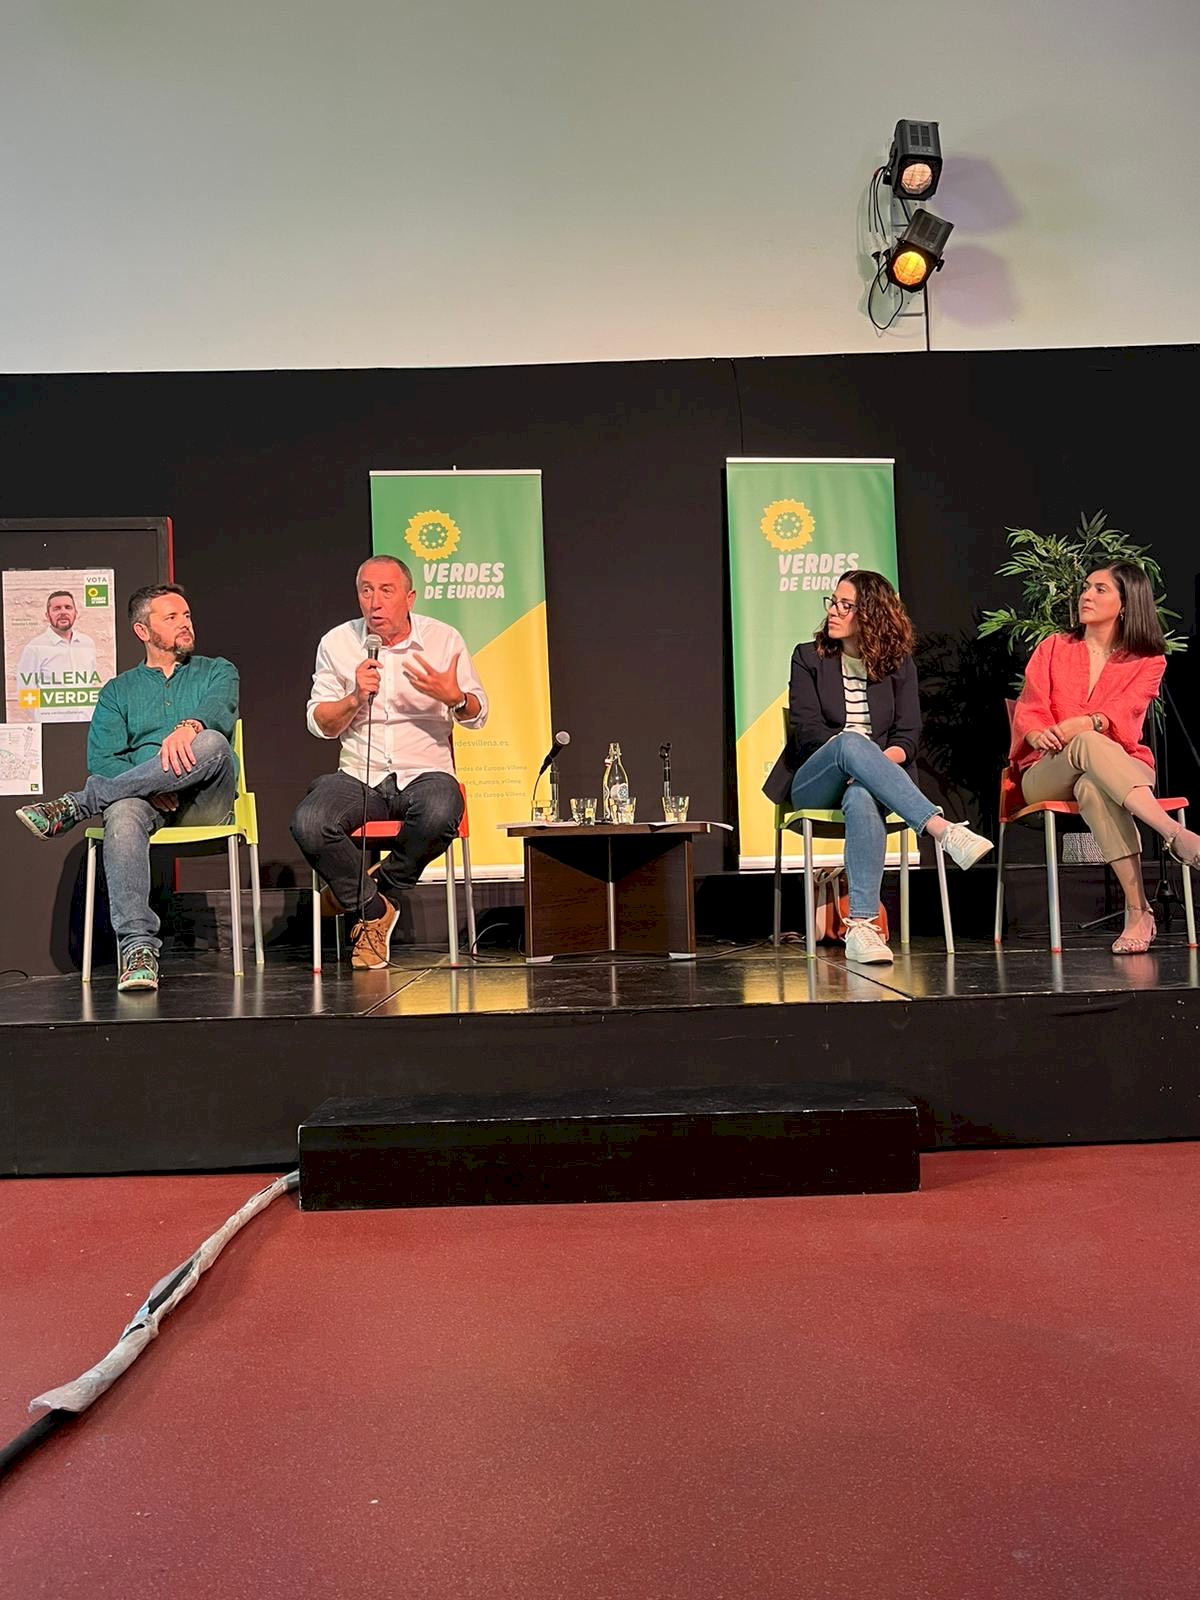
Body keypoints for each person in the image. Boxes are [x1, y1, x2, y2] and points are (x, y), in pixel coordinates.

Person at [14, 585, 239, 994]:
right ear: (142, 631)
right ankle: (137, 949)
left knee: (210, 742)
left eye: (187, 615)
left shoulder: (217, 671)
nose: (185, 623)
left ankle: (79, 804)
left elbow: (218, 711)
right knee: (121, 812)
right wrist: (152, 787)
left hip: (206, 799)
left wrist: (188, 728)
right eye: (171, 618)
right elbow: (103, 761)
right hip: (149, 804)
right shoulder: (118, 691)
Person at [764, 569, 992, 965]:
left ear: (870, 614)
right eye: (833, 602)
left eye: (845, 605)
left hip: (873, 781)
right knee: (850, 742)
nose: (833, 611)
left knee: (862, 796)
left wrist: (869, 767)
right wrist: (854, 755)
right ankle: (942, 829)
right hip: (816, 780)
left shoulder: (898, 665)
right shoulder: (808, 657)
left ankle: (862, 928)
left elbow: (908, 737)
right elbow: (808, 732)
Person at [290, 553, 488, 970]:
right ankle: (375, 909)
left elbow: (478, 715)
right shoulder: (338, 642)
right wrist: (354, 698)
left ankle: (370, 891)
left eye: (386, 591)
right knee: (310, 821)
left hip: (425, 771)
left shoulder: (443, 639)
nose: (375, 602)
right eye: (366, 591)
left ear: (409, 598)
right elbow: (320, 723)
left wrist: (454, 697)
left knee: (441, 809)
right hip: (359, 775)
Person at [1009, 561, 1200, 954]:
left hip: (1122, 764)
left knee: (1093, 787)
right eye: (1086, 587)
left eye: (1100, 589)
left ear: (1126, 603)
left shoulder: (1148, 660)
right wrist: (1038, 733)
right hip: (1047, 770)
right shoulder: (1053, 647)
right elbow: (1029, 709)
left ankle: (1138, 911)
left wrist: (1088, 721)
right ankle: (1173, 833)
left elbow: (1127, 714)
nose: (1086, 595)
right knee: (1085, 744)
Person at [15, 590, 100, 722]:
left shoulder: (87, 643)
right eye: (57, 608)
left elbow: (91, 682)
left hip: (87, 722)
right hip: (53, 725)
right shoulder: (34, 647)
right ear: (47, 615)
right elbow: (25, 691)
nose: (63, 612)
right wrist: (42, 718)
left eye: (68, 607)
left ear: (75, 613)